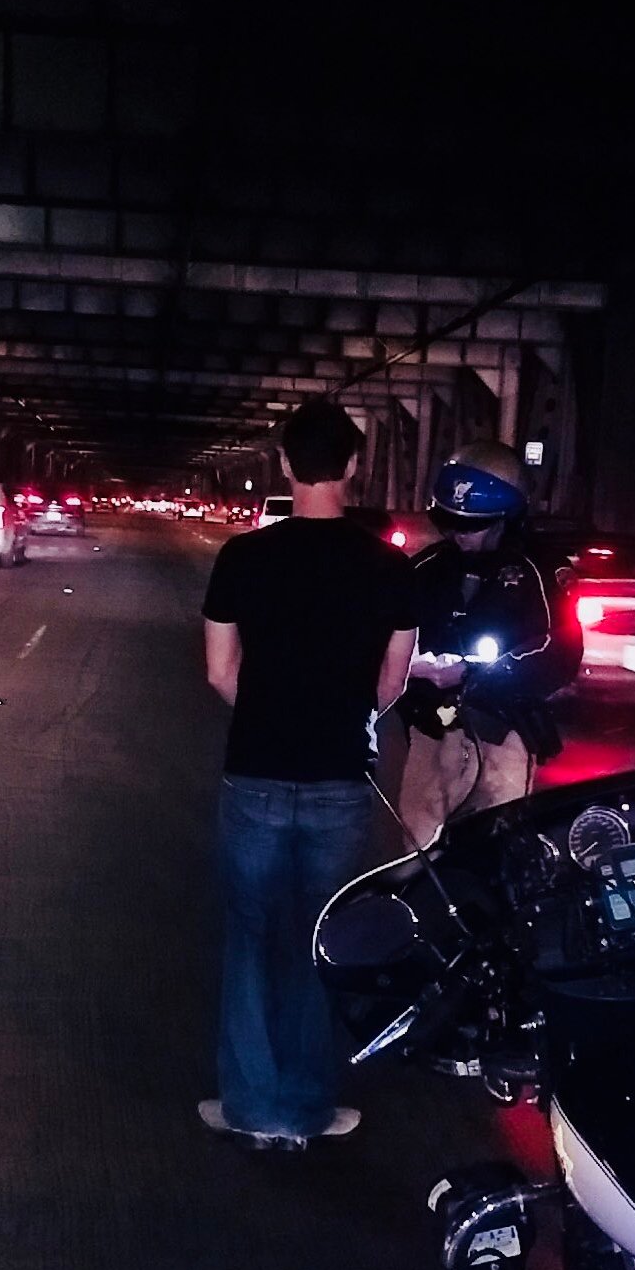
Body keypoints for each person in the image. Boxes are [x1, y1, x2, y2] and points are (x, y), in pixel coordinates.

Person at [200, 399, 419, 1151]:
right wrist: (342, 717)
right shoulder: (390, 567)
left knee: (251, 937)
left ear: (285, 465)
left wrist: (271, 709)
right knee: (317, 939)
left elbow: (219, 671)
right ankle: (304, 1109)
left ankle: (250, 1105)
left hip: (256, 769)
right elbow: (394, 680)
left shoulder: (242, 559)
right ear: (354, 467)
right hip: (339, 782)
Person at [398, 440, 579, 849]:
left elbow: (562, 650)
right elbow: (389, 637)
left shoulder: (539, 573)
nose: (459, 533)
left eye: (473, 525)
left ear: (506, 519)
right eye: (451, 522)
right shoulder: (425, 569)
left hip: (503, 728)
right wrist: (414, 671)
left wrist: (479, 675)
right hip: (430, 726)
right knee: (417, 847)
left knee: (499, 844)